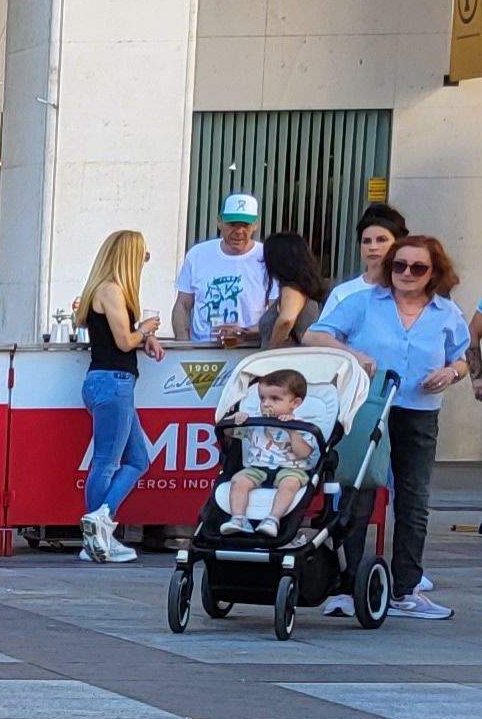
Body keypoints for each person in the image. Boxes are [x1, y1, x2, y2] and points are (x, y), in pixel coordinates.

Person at [307, 231, 471, 618]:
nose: (407, 273)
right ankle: (348, 586)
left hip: (419, 409)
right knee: (357, 491)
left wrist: (450, 373)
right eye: (399, 265)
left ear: (434, 272)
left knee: (414, 498)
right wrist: (352, 354)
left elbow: (463, 359)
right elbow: (316, 334)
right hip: (369, 406)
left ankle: (406, 588)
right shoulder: (364, 302)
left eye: (418, 267)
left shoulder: (447, 312)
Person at [71, 231, 159, 562]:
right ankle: (97, 533)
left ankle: (99, 531)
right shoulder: (112, 290)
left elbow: (117, 337)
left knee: (137, 460)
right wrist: (146, 329)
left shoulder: (102, 289)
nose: (144, 262)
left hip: (107, 382)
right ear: (128, 257)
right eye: (143, 255)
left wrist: (144, 338)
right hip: (115, 382)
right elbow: (124, 341)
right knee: (108, 462)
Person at [173, 193, 280, 350]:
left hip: (248, 352)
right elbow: (182, 305)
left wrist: (243, 333)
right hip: (202, 350)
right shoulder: (197, 255)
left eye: (245, 225)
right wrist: (183, 345)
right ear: (219, 222)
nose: (239, 231)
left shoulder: (268, 257)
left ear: (255, 225)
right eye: (232, 224)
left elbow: (276, 315)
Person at [223, 369, 317, 532]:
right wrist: (234, 420)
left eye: (274, 399)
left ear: (295, 403)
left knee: (290, 484)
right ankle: (238, 518)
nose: (266, 404)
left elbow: (304, 453)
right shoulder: (255, 421)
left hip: (291, 469)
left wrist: (291, 431)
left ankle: (273, 519)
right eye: (262, 398)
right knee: (239, 481)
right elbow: (229, 433)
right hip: (257, 467)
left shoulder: (301, 425)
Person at [257, 234, 327, 350]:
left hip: (286, 358)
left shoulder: (292, 290)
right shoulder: (303, 288)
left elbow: (286, 320)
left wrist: (270, 351)